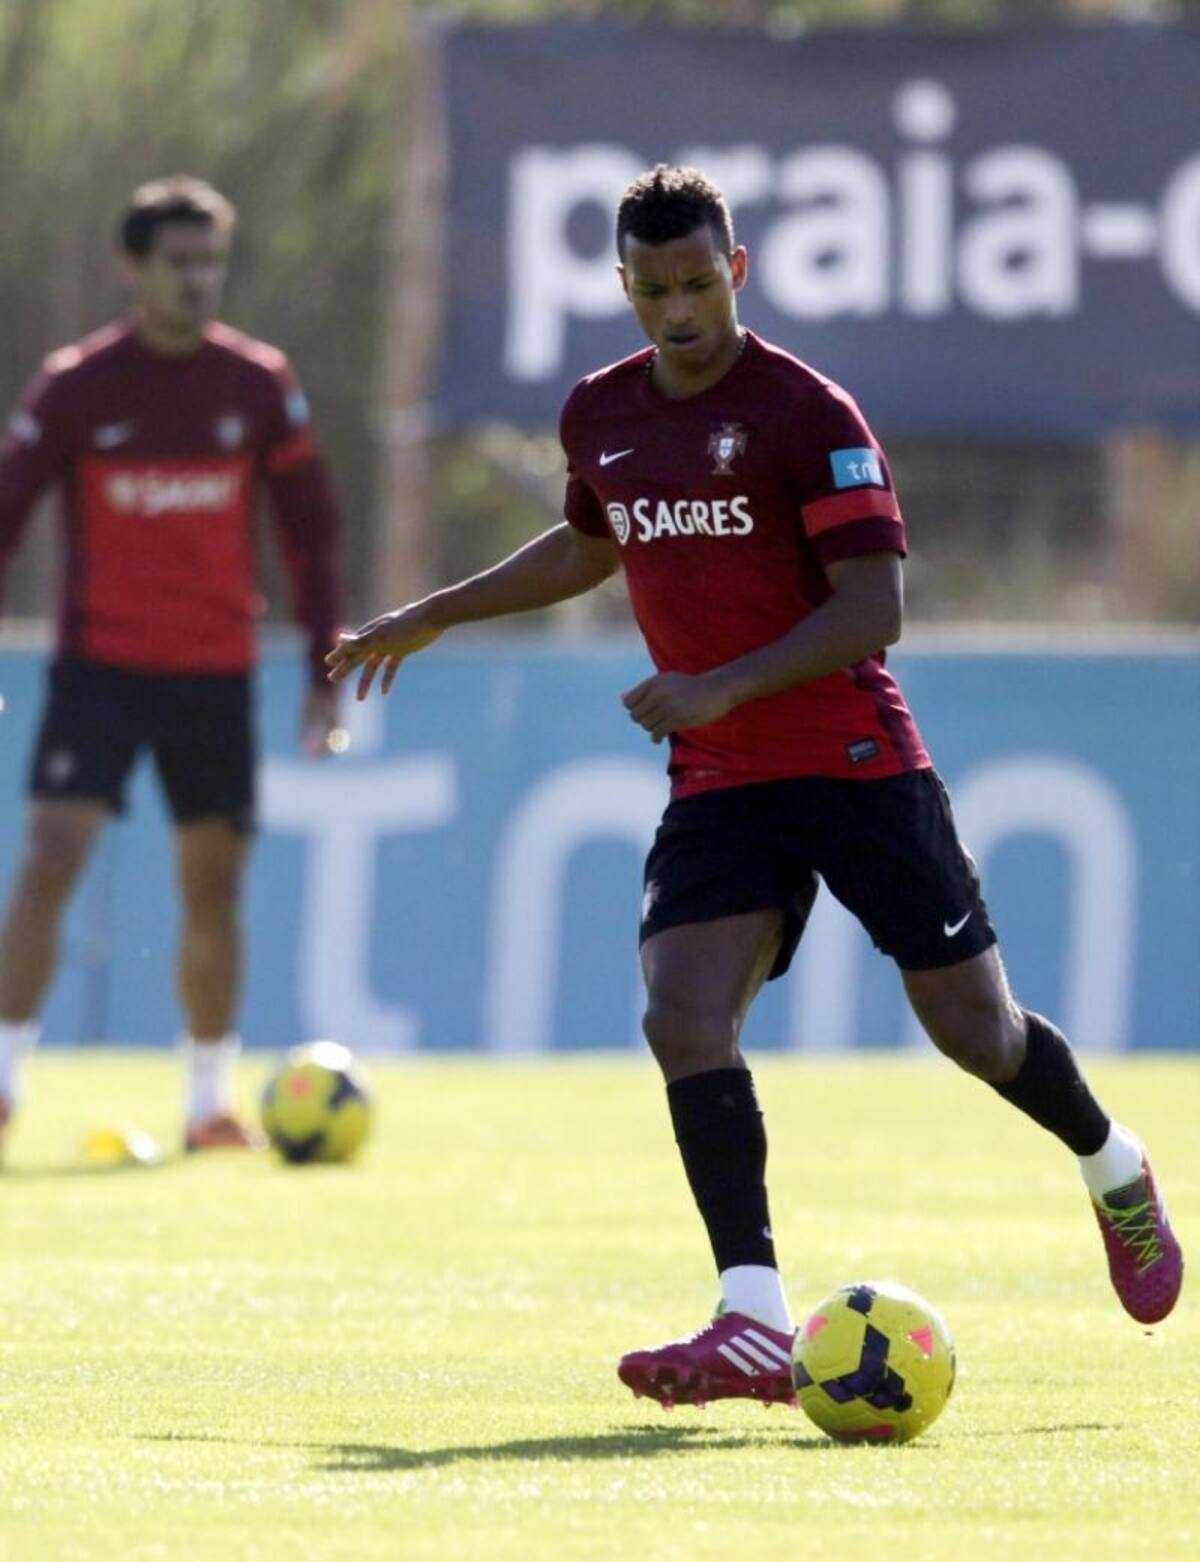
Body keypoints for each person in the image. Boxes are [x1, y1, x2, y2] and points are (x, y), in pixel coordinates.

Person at [327, 165, 1182, 1404]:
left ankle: (1115, 1165)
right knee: (682, 1015)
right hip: (721, 776)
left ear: (739, 269)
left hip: (852, 761)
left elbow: (873, 606)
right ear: (623, 284)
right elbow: (589, 538)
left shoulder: (807, 413)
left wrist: (719, 682)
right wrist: (435, 612)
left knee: (979, 1034)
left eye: (698, 281)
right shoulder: (601, 413)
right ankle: (751, 1312)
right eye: (654, 287)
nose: (679, 309)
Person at [0, 175, 342, 1155]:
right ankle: (5, 1079)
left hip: (212, 672)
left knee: (214, 888)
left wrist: (325, 665)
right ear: (134, 268)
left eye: (211, 261)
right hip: (99, 668)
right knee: (50, 856)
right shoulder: (77, 385)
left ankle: (207, 1102)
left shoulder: (257, 383)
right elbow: (6, 511)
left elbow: (312, 531)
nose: (199, 280)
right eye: (179, 262)